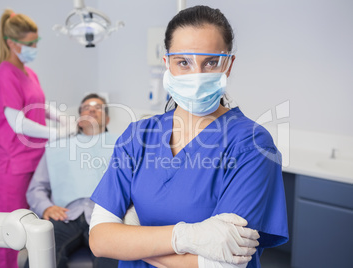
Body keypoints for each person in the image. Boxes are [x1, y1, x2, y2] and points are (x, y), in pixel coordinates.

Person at [89, 5, 288, 268]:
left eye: (211, 62)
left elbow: (224, 264)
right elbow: (100, 240)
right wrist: (187, 237)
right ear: (167, 65)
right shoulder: (138, 136)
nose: (197, 75)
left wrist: (130, 239)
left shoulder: (252, 144)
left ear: (228, 65)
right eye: (183, 62)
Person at [0, 9, 65, 268]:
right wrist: (55, 133)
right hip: (14, 164)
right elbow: (18, 122)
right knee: (11, 231)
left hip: (37, 159)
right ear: (12, 43)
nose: (34, 47)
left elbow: (39, 106)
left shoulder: (28, 72)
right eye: (30, 44)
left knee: (37, 229)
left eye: (36, 42)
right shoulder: (3, 74)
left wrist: (63, 118)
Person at [26, 94, 119, 268]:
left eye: (98, 107)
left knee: (111, 261)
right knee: (40, 257)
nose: (91, 109)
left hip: (105, 217)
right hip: (66, 215)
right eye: (86, 108)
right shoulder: (58, 148)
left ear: (107, 119)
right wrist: (46, 207)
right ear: (80, 120)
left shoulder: (121, 145)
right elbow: (36, 188)